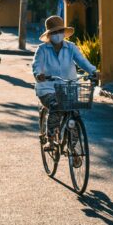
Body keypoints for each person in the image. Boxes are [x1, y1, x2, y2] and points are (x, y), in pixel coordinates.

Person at [32, 15, 99, 144]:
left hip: (68, 88)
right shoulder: (42, 49)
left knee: (74, 114)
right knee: (56, 106)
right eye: (54, 32)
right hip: (47, 88)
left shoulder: (71, 47)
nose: (58, 34)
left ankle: (73, 150)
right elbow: (37, 64)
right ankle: (50, 137)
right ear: (49, 34)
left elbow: (82, 61)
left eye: (60, 31)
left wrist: (93, 71)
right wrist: (39, 74)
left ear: (64, 32)